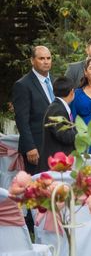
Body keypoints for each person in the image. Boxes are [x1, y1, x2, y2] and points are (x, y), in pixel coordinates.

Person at [12, 45, 54, 174]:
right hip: (36, 149)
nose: (46, 61)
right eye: (41, 58)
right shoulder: (23, 85)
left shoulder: (55, 80)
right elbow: (21, 119)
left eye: (48, 58)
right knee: (38, 189)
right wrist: (30, 147)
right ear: (32, 60)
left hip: (55, 146)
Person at [38, 76, 77, 172]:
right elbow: (64, 136)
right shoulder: (58, 110)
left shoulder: (57, 106)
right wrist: (79, 130)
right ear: (72, 92)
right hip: (55, 163)